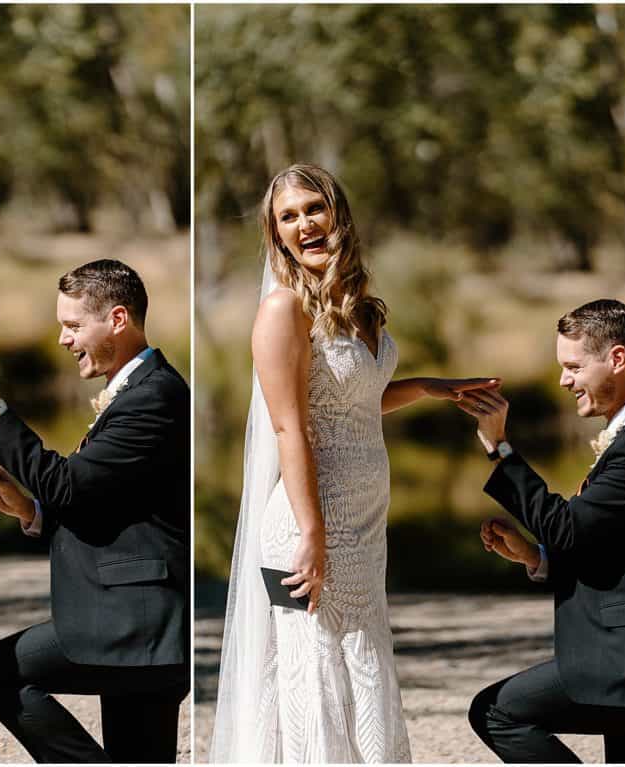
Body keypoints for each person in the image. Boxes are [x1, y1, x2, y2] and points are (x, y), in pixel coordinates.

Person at [209, 163, 499, 763]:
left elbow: (350, 400)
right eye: (288, 217)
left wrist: (425, 387)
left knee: (363, 670)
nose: (304, 224)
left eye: (313, 207)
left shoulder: (361, 308)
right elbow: (291, 424)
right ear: (276, 234)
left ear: (338, 212)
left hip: (365, 523)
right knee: (313, 681)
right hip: (306, 526)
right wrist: (311, 534)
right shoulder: (282, 311)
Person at [0, 259, 190, 763]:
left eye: (74, 325)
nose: (63, 339)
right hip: (137, 620)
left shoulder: (155, 397)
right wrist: (32, 509)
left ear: (117, 320)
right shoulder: (143, 391)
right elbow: (108, 505)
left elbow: (70, 485)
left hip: (134, 622)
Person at [462, 299, 625, 763]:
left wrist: (500, 447)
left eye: (573, 366)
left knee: (497, 712)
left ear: (617, 358)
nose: (563, 380)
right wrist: (536, 557)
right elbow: (614, 547)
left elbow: (568, 529)